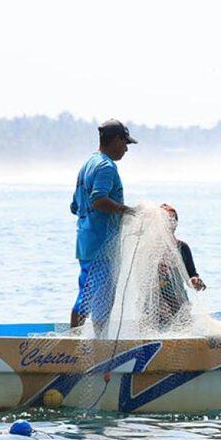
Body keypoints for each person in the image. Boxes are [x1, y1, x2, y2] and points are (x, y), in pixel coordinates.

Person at [69, 119, 138, 328]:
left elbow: (74, 206)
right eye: (125, 143)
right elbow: (98, 200)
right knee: (96, 298)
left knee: (91, 294)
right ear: (115, 140)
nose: (126, 149)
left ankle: (85, 341)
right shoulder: (107, 166)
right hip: (102, 246)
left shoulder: (87, 164)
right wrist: (127, 211)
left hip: (86, 242)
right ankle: (86, 346)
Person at [156, 203, 206, 325]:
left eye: (174, 219)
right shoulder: (150, 248)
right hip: (155, 304)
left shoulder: (182, 248)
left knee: (183, 326)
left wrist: (196, 281)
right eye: (167, 219)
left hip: (179, 302)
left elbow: (192, 275)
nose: (171, 222)